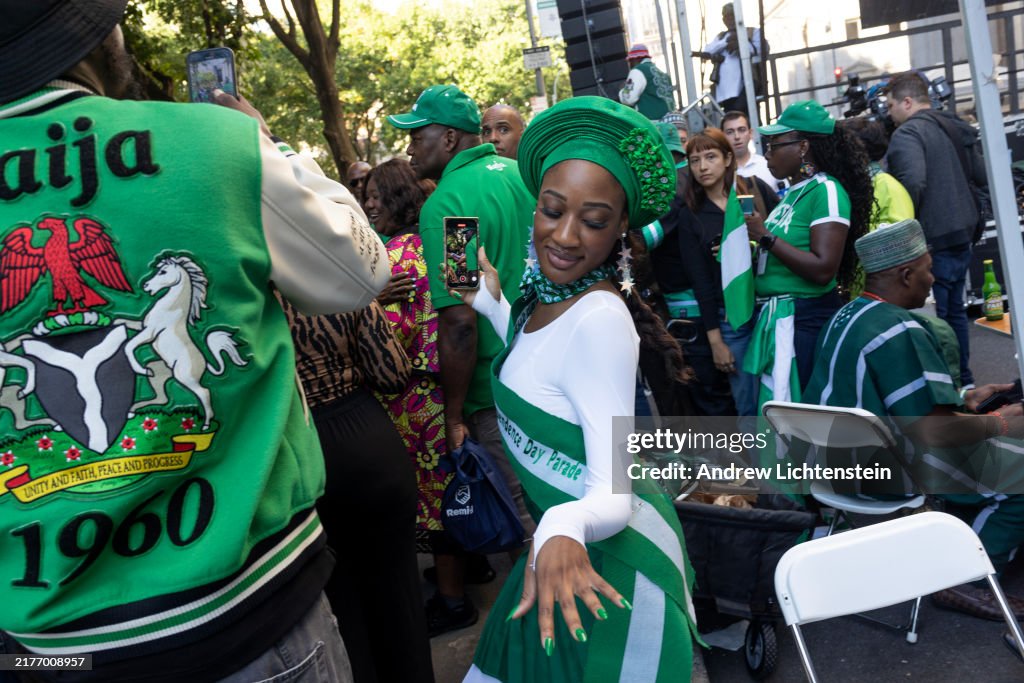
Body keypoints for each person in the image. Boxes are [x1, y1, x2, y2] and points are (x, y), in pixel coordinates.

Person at [0, 1, 388, 681]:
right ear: (96, 41)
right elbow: (360, 273)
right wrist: (263, 144)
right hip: (243, 618)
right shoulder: (214, 143)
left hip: (48, 645)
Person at [459, 96, 698, 682]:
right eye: (551, 210)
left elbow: (613, 493)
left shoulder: (598, 320)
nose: (564, 236)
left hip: (605, 572)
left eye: (592, 221)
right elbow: (540, 362)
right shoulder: (544, 301)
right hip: (558, 551)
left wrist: (562, 527)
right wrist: (489, 302)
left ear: (620, 230)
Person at [803, 218, 1024, 622]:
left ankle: (958, 537)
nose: (933, 277)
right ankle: (964, 578)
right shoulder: (901, 326)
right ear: (905, 274)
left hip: (830, 464)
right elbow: (933, 431)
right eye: (927, 268)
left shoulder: (849, 314)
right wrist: (1003, 423)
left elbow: (895, 399)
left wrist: (964, 398)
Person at [387, 84, 535, 636]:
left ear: (448, 138)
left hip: (499, 392)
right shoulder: (520, 173)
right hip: (550, 370)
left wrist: (452, 415)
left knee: (531, 538)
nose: (409, 150)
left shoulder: (449, 204)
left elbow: (458, 321)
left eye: (415, 136)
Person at [277, 295, 434, 683]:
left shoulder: (240, 292)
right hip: (368, 445)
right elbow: (393, 374)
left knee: (337, 606)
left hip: (297, 454)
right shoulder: (335, 277)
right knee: (400, 595)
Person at [743, 100, 873, 406]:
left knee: (801, 412)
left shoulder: (826, 191)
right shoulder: (793, 193)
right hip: (782, 316)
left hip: (804, 320)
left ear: (802, 147)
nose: (768, 153)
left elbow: (823, 268)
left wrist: (764, 237)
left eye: (774, 144)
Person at [884, 70, 986, 388]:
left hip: (932, 238)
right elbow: (982, 176)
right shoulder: (954, 124)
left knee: (932, 317)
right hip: (963, 230)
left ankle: (950, 384)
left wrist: (905, 227)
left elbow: (913, 181)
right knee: (953, 311)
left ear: (907, 102)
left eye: (890, 106)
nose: (888, 114)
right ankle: (964, 381)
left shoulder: (907, 135)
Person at [677, 128, 777, 417]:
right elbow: (701, 284)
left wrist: (751, 243)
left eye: (710, 157)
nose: (702, 167)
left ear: (728, 158)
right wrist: (716, 341)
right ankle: (759, 462)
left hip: (773, 308)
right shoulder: (691, 215)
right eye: (694, 161)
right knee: (748, 405)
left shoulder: (755, 190)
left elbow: (783, 238)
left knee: (783, 395)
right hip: (732, 318)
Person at [696, 3, 764, 117]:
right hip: (726, 94)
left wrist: (741, 41)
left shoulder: (752, 32)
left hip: (747, 88)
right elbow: (708, 51)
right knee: (732, 119)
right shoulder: (721, 37)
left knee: (749, 118)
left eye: (732, 16)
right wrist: (726, 41)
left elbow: (758, 50)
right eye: (727, 17)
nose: (730, 20)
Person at [722, 110, 785, 192]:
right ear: (722, 136)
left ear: (750, 133)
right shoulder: (719, 171)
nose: (737, 136)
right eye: (730, 132)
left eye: (741, 130)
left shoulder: (768, 165)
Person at [618, 44, 676, 121]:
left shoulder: (638, 70)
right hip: (670, 122)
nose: (630, 64)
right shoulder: (663, 74)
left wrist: (622, 91)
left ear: (636, 59)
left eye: (630, 61)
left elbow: (628, 98)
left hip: (651, 124)